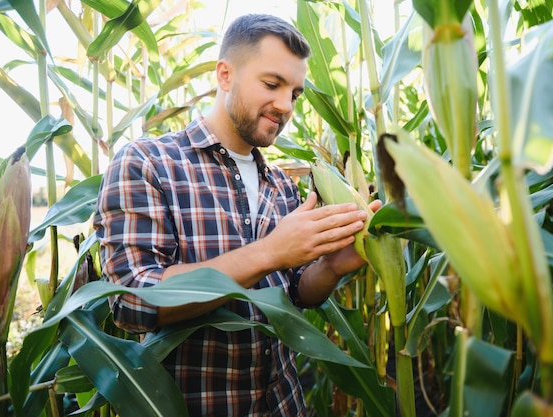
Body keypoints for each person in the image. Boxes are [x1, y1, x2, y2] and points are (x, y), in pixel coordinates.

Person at [94, 13, 376, 416]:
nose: (284, 105)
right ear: (225, 75)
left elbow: (295, 292)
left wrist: (331, 266)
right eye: (272, 84)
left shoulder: (279, 183)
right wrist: (272, 252)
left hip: (284, 405)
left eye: (294, 93)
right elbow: (132, 300)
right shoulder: (148, 164)